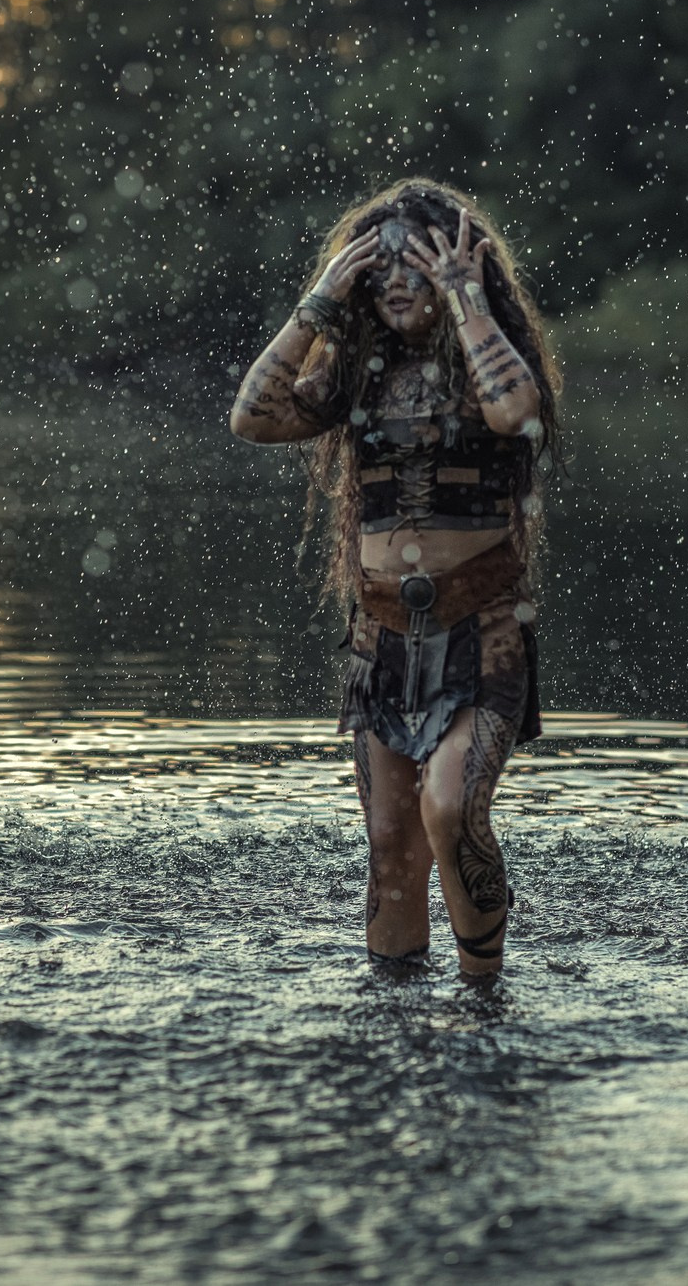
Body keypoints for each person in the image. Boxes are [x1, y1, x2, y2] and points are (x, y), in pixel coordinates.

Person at [228, 179, 562, 976]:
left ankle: (484, 997)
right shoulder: (357, 370)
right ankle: (394, 1011)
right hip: (379, 640)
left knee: (449, 809)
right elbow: (251, 415)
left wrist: (466, 297)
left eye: (417, 266)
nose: (398, 284)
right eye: (379, 271)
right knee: (389, 844)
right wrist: (319, 300)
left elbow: (519, 412)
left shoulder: (488, 363)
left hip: (481, 636)